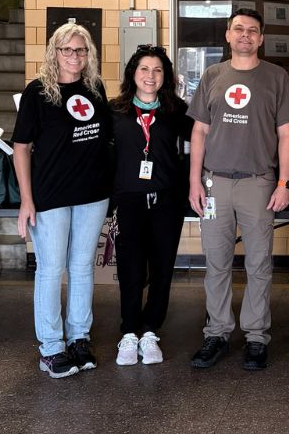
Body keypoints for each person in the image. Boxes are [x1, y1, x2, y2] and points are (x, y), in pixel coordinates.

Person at [187, 8, 289, 370]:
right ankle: (217, 333)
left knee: (258, 264)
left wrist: (285, 182)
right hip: (215, 182)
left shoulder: (276, 77)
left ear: (261, 38)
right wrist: (194, 181)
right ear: (227, 34)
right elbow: (199, 132)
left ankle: (255, 336)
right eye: (239, 29)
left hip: (258, 182)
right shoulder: (212, 75)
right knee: (217, 263)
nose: (245, 36)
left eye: (252, 31)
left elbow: (288, 134)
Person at [12, 23, 111, 378]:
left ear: (89, 54)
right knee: (52, 270)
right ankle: (51, 347)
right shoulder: (37, 92)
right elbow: (20, 148)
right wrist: (27, 199)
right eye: (67, 50)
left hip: (92, 195)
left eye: (81, 50)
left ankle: (79, 339)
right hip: (50, 197)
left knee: (83, 268)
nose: (74, 56)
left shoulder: (95, 88)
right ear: (55, 52)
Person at [109, 45, 193, 366]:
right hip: (129, 201)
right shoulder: (115, 110)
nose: (150, 76)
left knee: (162, 269)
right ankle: (129, 332)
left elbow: (201, 138)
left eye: (157, 70)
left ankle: (149, 331)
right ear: (133, 73)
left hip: (165, 202)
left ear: (165, 77)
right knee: (130, 268)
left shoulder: (175, 110)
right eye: (144, 69)